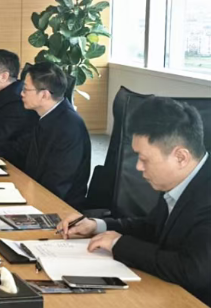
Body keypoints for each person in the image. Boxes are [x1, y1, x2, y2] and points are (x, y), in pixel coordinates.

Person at [58, 97, 211, 305]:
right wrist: (97, 226)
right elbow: (152, 227)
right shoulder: (180, 179)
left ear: (181, 157)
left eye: (144, 159)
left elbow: (192, 270)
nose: (138, 167)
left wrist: (120, 244)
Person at [0, 62, 90, 208]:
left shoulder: (68, 127)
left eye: (25, 89)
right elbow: (19, 148)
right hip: (32, 190)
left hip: (58, 207)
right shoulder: (46, 115)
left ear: (44, 95)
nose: (21, 93)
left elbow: (57, 184)